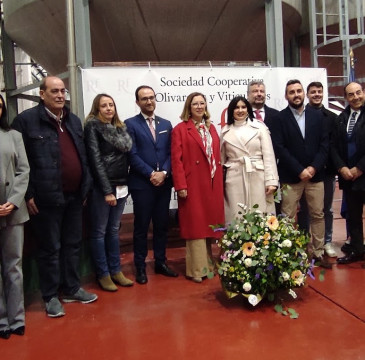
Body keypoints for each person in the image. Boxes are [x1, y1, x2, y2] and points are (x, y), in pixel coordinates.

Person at [12, 76, 97, 318]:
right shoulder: (26, 121)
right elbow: (20, 163)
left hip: (74, 197)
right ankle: (50, 296)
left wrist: (85, 187)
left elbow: (82, 156)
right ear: (42, 94)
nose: (60, 95)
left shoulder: (73, 120)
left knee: (72, 245)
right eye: (54, 91)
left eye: (62, 91)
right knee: (50, 248)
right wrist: (27, 194)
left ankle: (71, 288)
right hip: (45, 199)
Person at [269, 79, 330, 267]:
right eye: (291, 92)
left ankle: (318, 252)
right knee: (287, 216)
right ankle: (288, 253)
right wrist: (299, 170)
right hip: (290, 176)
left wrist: (313, 168)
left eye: (298, 91)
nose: (296, 95)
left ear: (304, 93)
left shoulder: (318, 116)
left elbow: (325, 144)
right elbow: (279, 147)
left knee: (318, 214)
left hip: (315, 175)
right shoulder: (280, 118)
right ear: (286, 96)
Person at [125, 86, 178, 284]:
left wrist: (164, 173)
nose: (149, 101)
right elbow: (132, 154)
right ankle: (140, 265)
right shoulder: (130, 124)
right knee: (141, 227)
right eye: (144, 99)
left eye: (151, 98)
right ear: (137, 102)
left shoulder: (166, 123)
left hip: (163, 184)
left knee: (162, 225)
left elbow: (171, 152)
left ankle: (160, 262)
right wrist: (151, 174)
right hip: (142, 184)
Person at [171, 92, 224, 283]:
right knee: (195, 226)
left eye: (202, 103)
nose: (199, 107)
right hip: (192, 184)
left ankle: (210, 265)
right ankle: (196, 270)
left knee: (210, 225)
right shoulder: (180, 129)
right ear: (189, 107)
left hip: (211, 184)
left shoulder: (211, 128)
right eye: (195, 104)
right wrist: (181, 185)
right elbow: (176, 161)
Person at [84, 94, 134, 291]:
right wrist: (106, 190)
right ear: (96, 109)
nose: (108, 108)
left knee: (113, 230)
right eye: (103, 106)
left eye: (111, 105)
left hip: (122, 184)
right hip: (103, 188)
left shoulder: (121, 128)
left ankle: (116, 270)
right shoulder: (92, 127)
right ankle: (103, 274)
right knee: (99, 232)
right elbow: (95, 160)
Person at [221, 96, 278, 222]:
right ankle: (236, 241)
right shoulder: (225, 131)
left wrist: (271, 180)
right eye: (236, 107)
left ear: (248, 109)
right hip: (234, 178)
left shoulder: (259, 127)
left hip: (257, 175)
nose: (240, 110)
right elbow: (221, 159)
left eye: (243, 107)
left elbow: (268, 155)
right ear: (231, 110)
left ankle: (262, 241)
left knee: (259, 213)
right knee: (236, 215)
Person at [297, 82, 338, 258]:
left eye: (319, 92)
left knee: (325, 209)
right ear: (307, 94)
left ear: (323, 93)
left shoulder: (331, 117)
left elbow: (331, 145)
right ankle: (305, 243)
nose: (316, 94)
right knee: (305, 210)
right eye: (312, 92)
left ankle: (326, 242)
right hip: (304, 172)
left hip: (325, 171)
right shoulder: (300, 115)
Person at [0, 95, 29, 339]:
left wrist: (13, 201)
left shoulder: (13, 136)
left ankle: (17, 318)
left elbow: (23, 170)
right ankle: (1, 321)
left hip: (13, 211)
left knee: (13, 266)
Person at [331, 82, 365, 265]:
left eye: (358, 93)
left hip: (363, 173)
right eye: (351, 95)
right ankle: (358, 250)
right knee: (353, 216)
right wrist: (341, 167)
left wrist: (360, 167)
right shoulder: (342, 118)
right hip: (348, 177)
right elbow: (334, 146)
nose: (356, 97)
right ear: (346, 98)